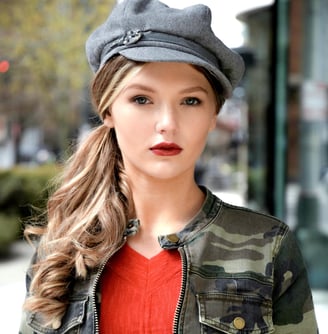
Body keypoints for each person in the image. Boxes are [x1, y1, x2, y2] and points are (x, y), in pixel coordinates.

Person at [19, 0, 318, 333]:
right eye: (141, 99)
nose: (167, 124)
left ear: (212, 117)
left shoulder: (267, 247)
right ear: (108, 111)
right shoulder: (61, 252)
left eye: (191, 101)